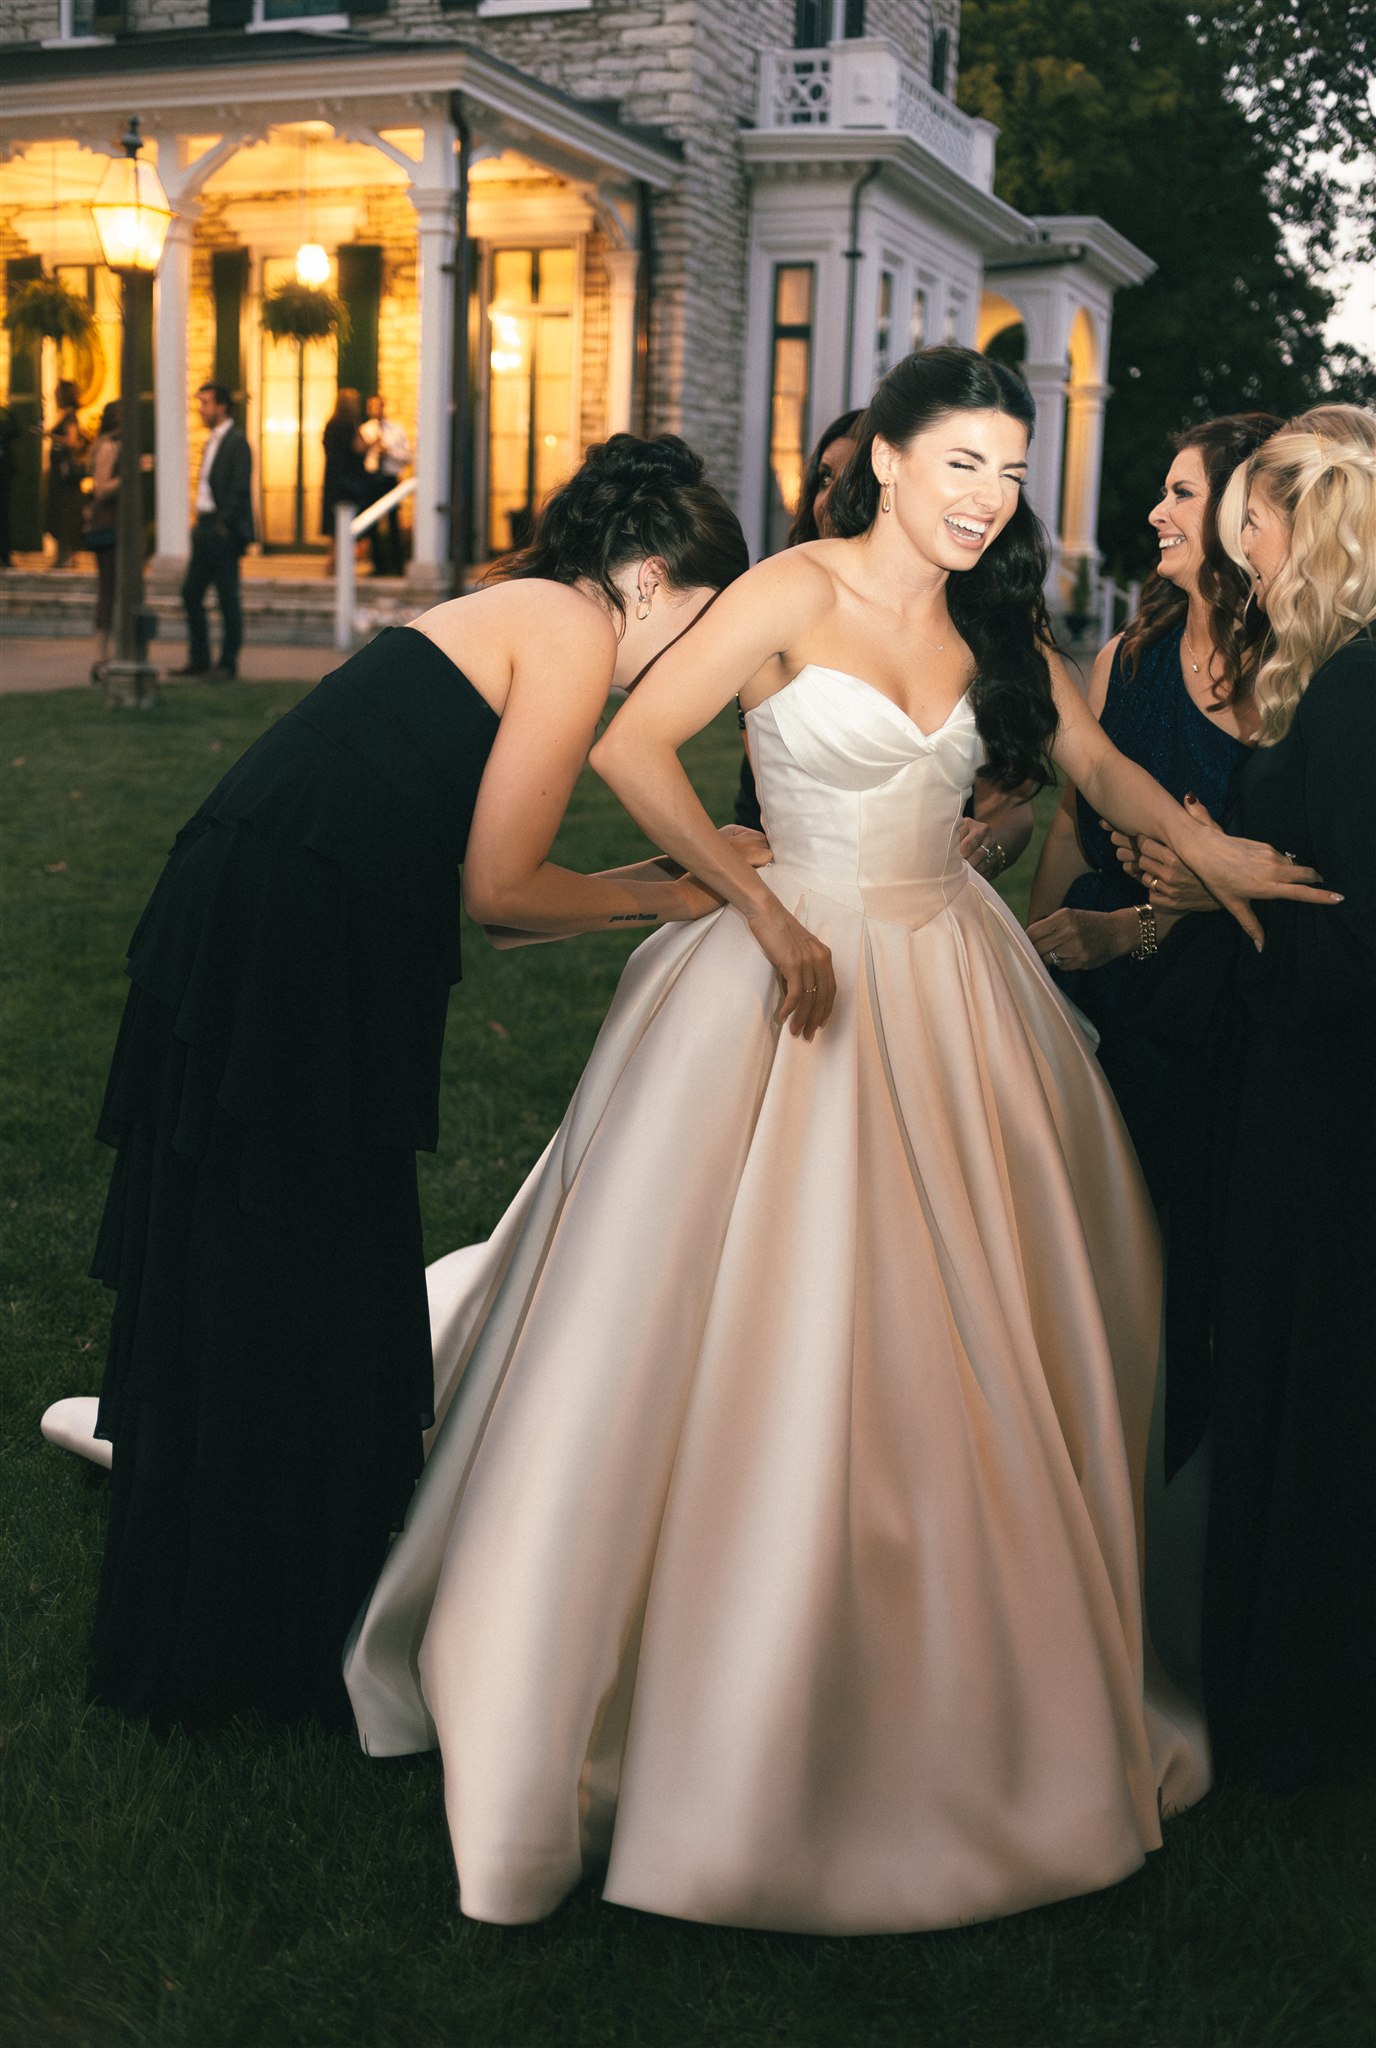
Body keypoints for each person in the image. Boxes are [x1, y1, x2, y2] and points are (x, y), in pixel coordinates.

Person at [345, 348, 1334, 1934]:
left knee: (986, 1323)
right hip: (782, 972)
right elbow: (630, 750)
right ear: (885, 458)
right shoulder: (790, 592)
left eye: (1010, 471)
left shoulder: (993, 621)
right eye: (960, 463)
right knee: (737, 1331)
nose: (986, 497)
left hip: (954, 983)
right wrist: (756, 908)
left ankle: (967, 1699)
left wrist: (1213, 847)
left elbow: (1091, 766)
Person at [44, 434, 751, 1730]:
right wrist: (673, 884)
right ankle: (252, 1639)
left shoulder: (536, 613)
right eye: (706, 618)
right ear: (649, 581)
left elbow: (502, 910)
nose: (701, 657)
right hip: (286, 934)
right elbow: (504, 890)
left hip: (290, 920)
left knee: (300, 1264)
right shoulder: (571, 631)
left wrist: (664, 892)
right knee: (286, 1264)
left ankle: (269, 1609)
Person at [1128, 406, 1376, 1784]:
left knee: (1307, 1390)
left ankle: (1297, 1712)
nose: (1249, 564)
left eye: (1257, 533)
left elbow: (1349, 941)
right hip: (1309, 1101)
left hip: (1324, 1117)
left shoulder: (1350, 702)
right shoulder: (1339, 685)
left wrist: (1225, 887)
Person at [1026, 413, 1281, 1200]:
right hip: (1089, 980)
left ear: (1241, 516)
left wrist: (1131, 931)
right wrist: (1033, 966)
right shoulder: (1125, 658)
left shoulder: (1289, 684)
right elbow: (1072, 820)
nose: (1154, 512)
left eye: (1181, 493)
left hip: (1208, 1005)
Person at [737, 406, 1036, 886]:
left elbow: (1015, 805)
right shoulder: (775, 601)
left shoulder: (973, 625)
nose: (831, 499)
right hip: (784, 888)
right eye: (824, 478)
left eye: (849, 478)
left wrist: (987, 851)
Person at [175, 383, 253, 682]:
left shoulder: (237, 441)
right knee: (191, 593)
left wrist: (224, 525)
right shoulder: (212, 440)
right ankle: (199, 659)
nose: (200, 409)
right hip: (205, 526)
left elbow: (240, 489)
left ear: (221, 406)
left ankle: (228, 663)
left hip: (222, 530)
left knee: (227, 597)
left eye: (205, 403)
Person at [84, 401, 121, 683]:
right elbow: (101, 487)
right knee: (107, 589)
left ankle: (110, 652)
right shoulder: (109, 447)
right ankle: (101, 655)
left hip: (113, 524)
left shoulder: (112, 445)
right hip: (107, 524)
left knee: (112, 588)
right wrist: (129, 475)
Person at [359, 393, 412, 577]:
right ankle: (378, 565)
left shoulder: (396, 430)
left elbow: (407, 457)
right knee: (372, 523)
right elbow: (360, 457)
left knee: (393, 522)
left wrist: (389, 452)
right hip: (372, 479)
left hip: (390, 478)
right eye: (372, 407)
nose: (375, 410)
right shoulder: (364, 430)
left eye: (378, 406)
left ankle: (397, 566)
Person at [321, 388, 370, 568]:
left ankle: (333, 561)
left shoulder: (331, 424)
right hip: (349, 479)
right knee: (347, 520)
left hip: (333, 477)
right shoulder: (349, 425)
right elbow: (359, 448)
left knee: (335, 524)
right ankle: (342, 563)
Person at [44, 379, 87, 569]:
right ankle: (62, 556)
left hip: (64, 477)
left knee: (65, 514)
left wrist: (49, 435)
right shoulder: (67, 416)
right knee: (60, 514)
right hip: (58, 475)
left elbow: (72, 441)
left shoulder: (70, 417)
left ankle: (66, 556)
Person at [0, 400, 19, 567]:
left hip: (3, 474)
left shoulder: (4, 426)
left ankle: (5, 554)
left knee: (3, 515)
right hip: (4, 473)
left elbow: (15, 430)